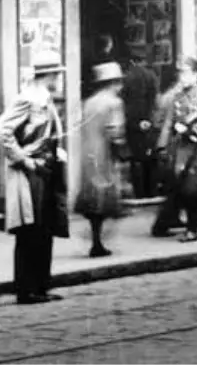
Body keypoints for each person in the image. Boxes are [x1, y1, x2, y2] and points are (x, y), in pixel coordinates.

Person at [0, 51, 69, 305]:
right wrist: (22, 158)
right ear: (48, 75)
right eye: (56, 74)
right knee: (30, 229)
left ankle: (41, 285)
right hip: (30, 173)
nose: (58, 79)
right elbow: (0, 129)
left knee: (44, 228)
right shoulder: (27, 99)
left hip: (46, 170)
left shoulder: (45, 99)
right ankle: (27, 288)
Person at [152, 58, 197, 241]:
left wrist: (195, 130)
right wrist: (161, 146)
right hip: (180, 149)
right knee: (181, 186)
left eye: (187, 73)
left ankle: (192, 230)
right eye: (181, 73)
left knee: (191, 188)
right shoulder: (177, 96)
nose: (183, 77)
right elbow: (168, 122)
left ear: (196, 74)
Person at [74, 62, 128, 257]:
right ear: (114, 83)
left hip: (88, 152)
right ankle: (98, 241)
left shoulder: (88, 102)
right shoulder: (114, 103)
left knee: (92, 196)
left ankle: (96, 239)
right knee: (105, 197)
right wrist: (121, 154)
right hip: (104, 153)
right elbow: (115, 131)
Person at [120, 49, 161, 199]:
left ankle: (140, 193)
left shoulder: (127, 77)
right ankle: (152, 191)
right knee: (151, 158)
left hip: (133, 125)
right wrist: (150, 120)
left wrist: (135, 122)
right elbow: (156, 102)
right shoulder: (152, 76)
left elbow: (124, 102)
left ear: (131, 61)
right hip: (149, 123)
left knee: (136, 159)